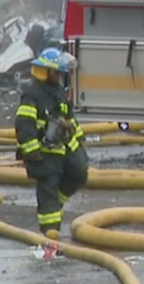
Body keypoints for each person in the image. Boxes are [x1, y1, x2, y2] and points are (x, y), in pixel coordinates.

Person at [15, 47, 89, 240]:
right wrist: (32, 151)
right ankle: (51, 237)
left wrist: (79, 139)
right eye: (56, 72)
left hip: (63, 147)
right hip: (43, 152)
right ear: (45, 71)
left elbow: (69, 118)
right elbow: (24, 125)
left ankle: (56, 204)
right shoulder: (32, 95)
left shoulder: (58, 92)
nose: (59, 76)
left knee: (79, 172)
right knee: (48, 188)